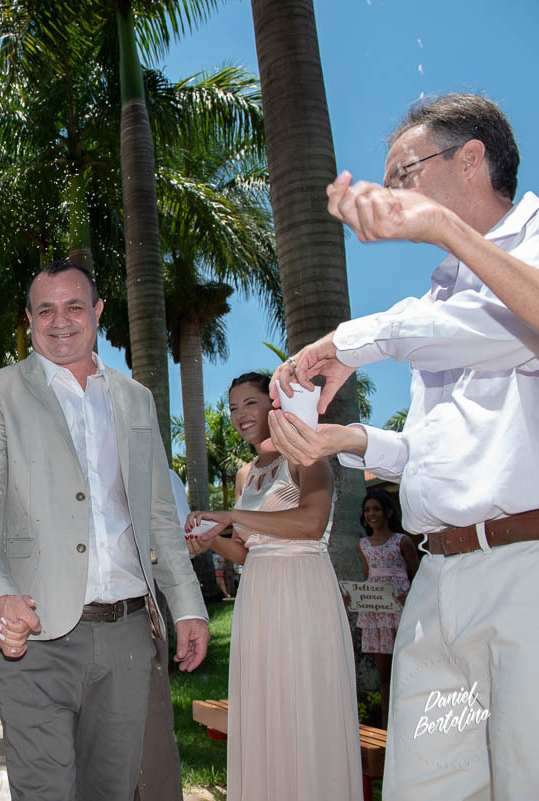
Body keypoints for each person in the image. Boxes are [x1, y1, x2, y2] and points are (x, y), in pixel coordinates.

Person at [268, 93, 539, 800]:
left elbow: (514, 323)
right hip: (438, 582)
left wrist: (353, 340)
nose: (389, 195)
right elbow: (433, 449)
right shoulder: (442, 291)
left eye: (404, 174)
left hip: (525, 577)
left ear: (471, 159)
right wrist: (348, 439)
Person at [0, 260, 208, 801]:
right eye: (45, 310)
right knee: (44, 791)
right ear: (29, 318)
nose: (60, 321)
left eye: (74, 306)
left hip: (127, 631)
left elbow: (159, 513)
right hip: (34, 631)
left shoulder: (135, 398)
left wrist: (188, 605)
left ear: (97, 311)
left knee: (111, 792)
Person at [186, 372, 361, 800]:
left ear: (274, 404)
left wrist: (232, 517)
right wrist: (210, 540)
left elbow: (311, 523)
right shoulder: (246, 474)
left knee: (303, 703)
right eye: (232, 407)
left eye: (249, 403)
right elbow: (248, 551)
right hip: (257, 598)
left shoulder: (307, 457)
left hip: (303, 595)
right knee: (265, 706)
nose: (239, 415)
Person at [353, 489, 418, 728]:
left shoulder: (402, 541)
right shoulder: (363, 545)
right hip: (376, 613)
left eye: (377, 509)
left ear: (388, 512)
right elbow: (368, 577)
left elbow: (418, 574)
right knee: (384, 676)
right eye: (367, 510)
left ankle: (411, 721)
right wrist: (355, 597)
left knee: (407, 669)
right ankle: (387, 726)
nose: (372, 514)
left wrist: (407, 596)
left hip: (401, 610)